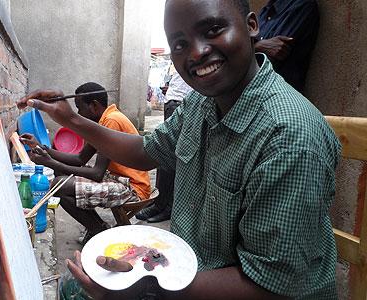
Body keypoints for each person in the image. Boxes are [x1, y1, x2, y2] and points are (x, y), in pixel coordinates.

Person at [18, 0, 340, 299]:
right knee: (74, 284)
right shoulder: (202, 103)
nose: (196, 53)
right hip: (194, 269)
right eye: (179, 44)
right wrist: (71, 119)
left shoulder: (289, 139)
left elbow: (270, 285)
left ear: (252, 25)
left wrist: (142, 288)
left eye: (213, 30)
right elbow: (145, 150)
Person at [21, 82, 151, 244]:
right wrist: (41, 147)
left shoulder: (111, 121)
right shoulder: (104, 121)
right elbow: (80, 159)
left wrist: (50, 162)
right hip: (118, 180)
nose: (78, 113)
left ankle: (100, 232)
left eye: (79, 107)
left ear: (94, 106)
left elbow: (97, 173)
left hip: (132, 188)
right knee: (62, 178)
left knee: (60, 184)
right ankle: (98, 227)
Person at [136, 71, 193, 223]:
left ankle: (168, 206)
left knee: (174, 157)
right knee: (163, 154)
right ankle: (159, 203)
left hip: (181, 102)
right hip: (173, 102)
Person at [255, 0, 319, 92]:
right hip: (256, 92)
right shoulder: (266, 10)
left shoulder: (301, 5)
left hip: (277, 95)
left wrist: (254, 47)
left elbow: (275, 53)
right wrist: (258, 46)